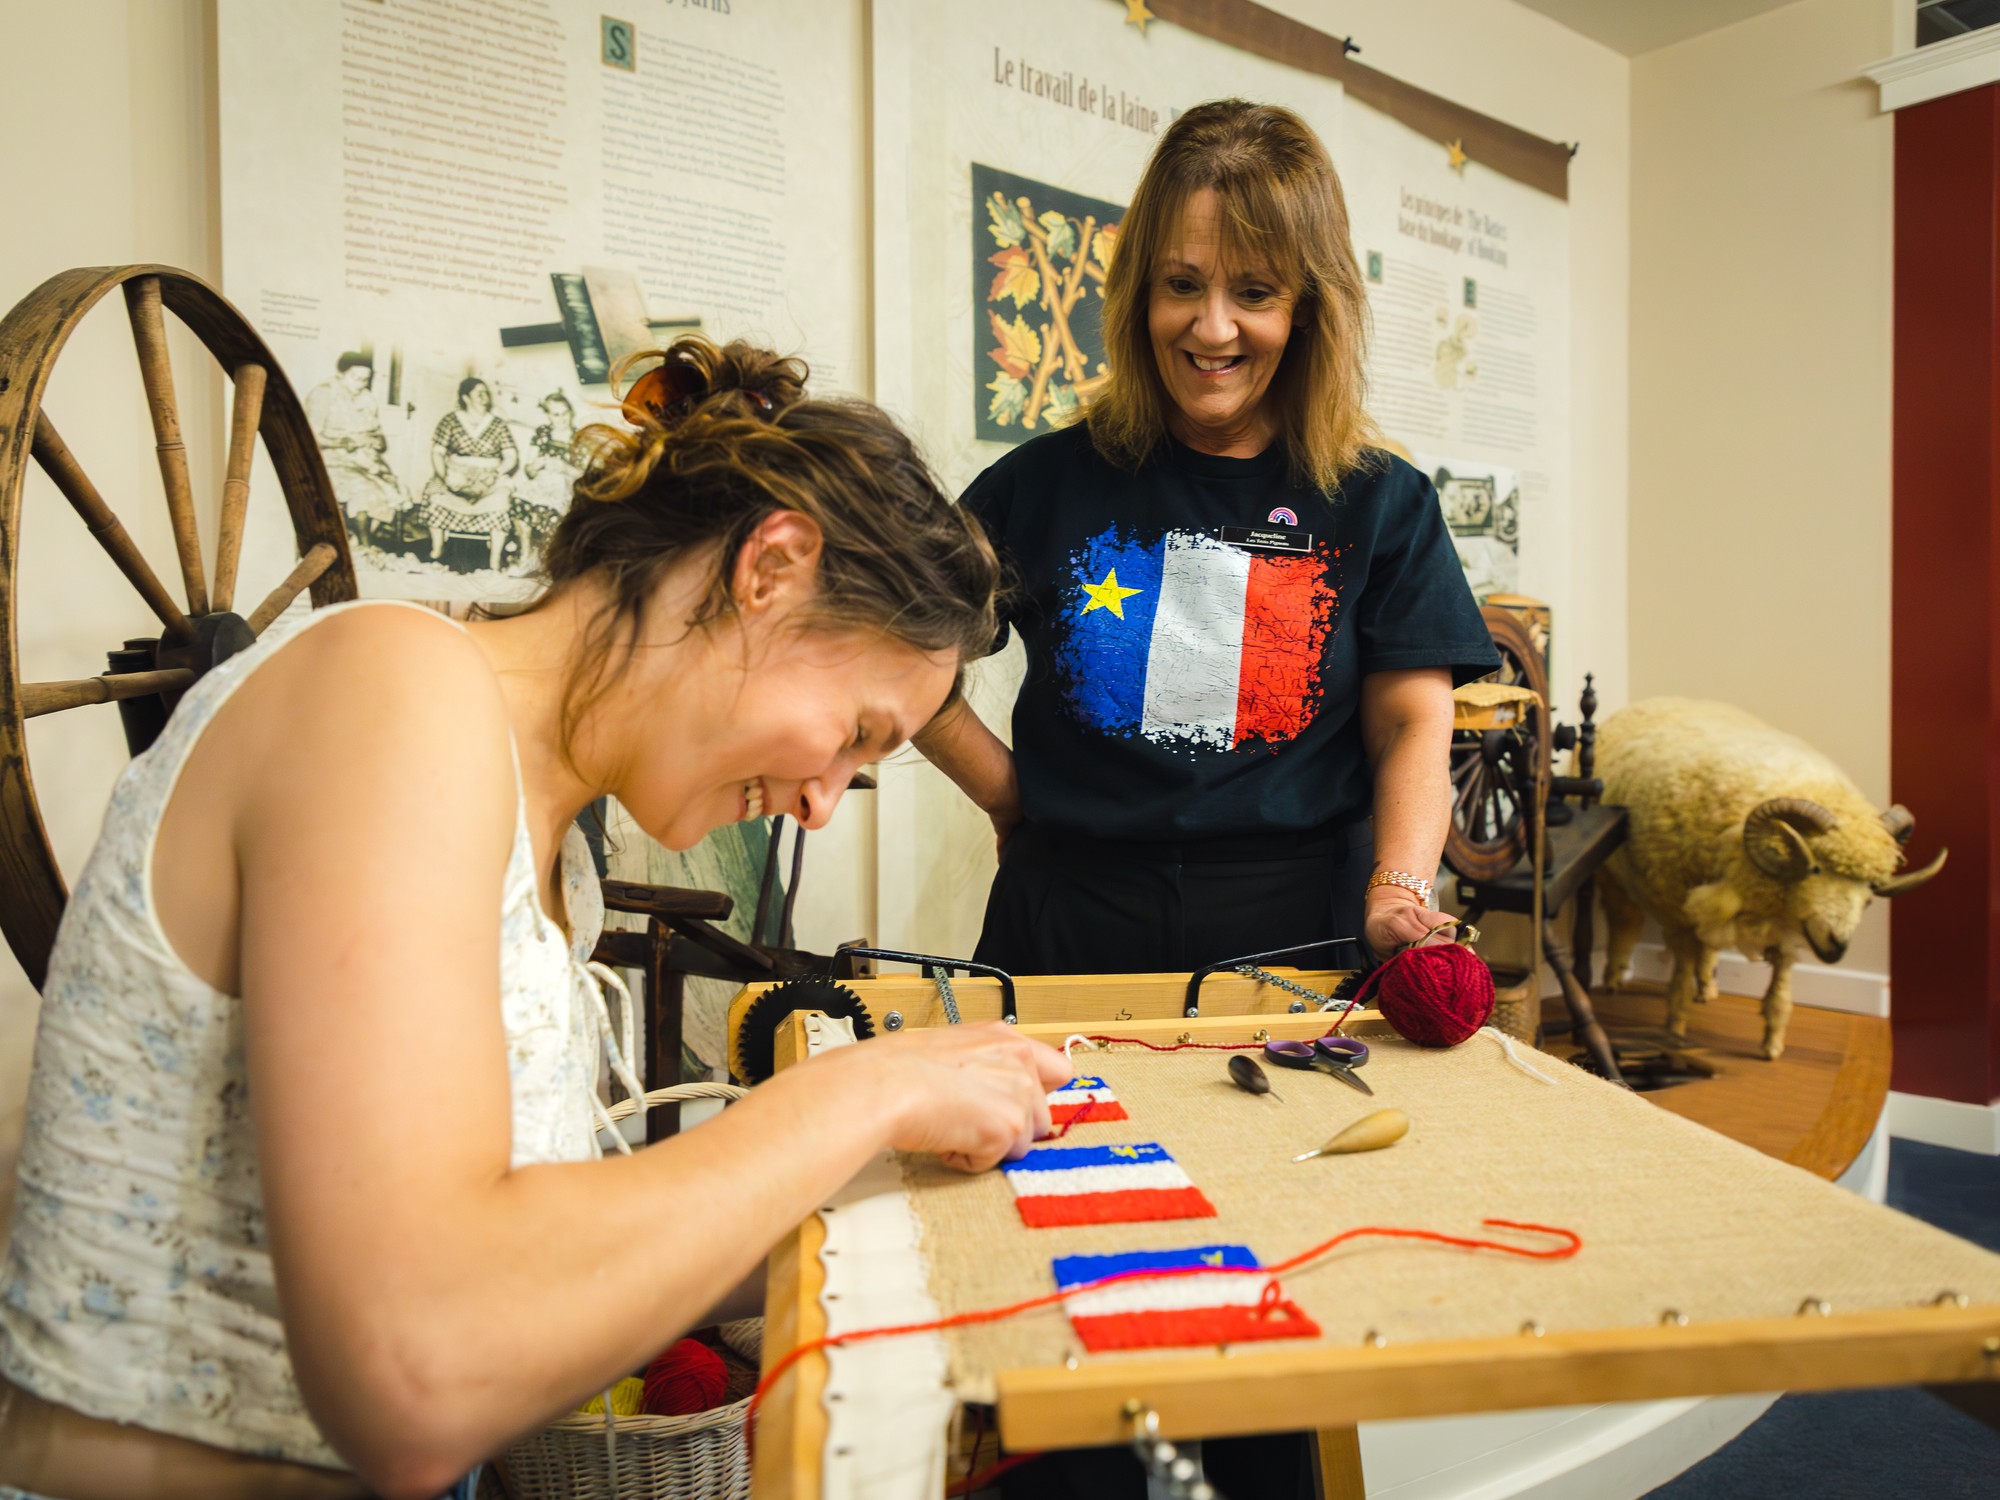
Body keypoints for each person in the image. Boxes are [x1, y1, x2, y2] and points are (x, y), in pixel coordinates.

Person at [0, 337, 1070, 1500]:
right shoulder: (389, 689)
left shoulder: (557, 855)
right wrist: (860, 1092)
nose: (821, 804)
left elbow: (538, 1263)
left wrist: (892, 1189)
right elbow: (415, 1371)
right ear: (771, 569)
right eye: (857, 733)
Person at [920, 99, 1498, 993]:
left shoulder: (1384, 501)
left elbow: (1410, 719)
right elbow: (894, 644)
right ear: (1139, 291)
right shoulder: (1040, 483)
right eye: (1182, 284)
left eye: (1255, 293)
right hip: (1070, 920)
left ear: (1310, 307)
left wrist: (1398, 888)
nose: (1213, 328)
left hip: (1307, 924)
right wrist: (1003, 791)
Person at [303, 351, 407, 552]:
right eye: (355, 378)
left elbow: (379, 437)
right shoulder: (323, 394)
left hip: (363, 460)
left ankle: (357, 542)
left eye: (365, 380)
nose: (360, 384)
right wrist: (343, 442)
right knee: (364, 491)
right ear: (341, 373)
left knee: (393, 491)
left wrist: (378, 442)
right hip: (329, 459)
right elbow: (310, 437)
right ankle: (362, 544)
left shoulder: (367, 399)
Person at [417, 377, 519, 572]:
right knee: (435, 492)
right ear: (465, 398)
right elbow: (437, 452)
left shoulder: (497, 424)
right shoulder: (450, 420)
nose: (484, 397)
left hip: (489, 476)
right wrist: (444, 475)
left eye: (485, 393)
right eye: (478, 393)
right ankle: (437, 548)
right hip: (456, 473)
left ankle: (494, 559)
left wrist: (496, 473)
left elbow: (511, 456)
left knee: (502, 499)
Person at [510, 389, 582, 571]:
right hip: (540, 484)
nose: (562, 418)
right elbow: (529, 470)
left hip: (564, 485)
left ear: (571, 412)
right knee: (518, 503)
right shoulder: (542, 433)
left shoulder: (578, 436)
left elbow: (584, 474)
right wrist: (535, 466)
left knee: (549, 512)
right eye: (556, 414)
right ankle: (526, 556)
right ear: (548, 415)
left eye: (565, 413)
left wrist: (565, 468)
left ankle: (548, 560)